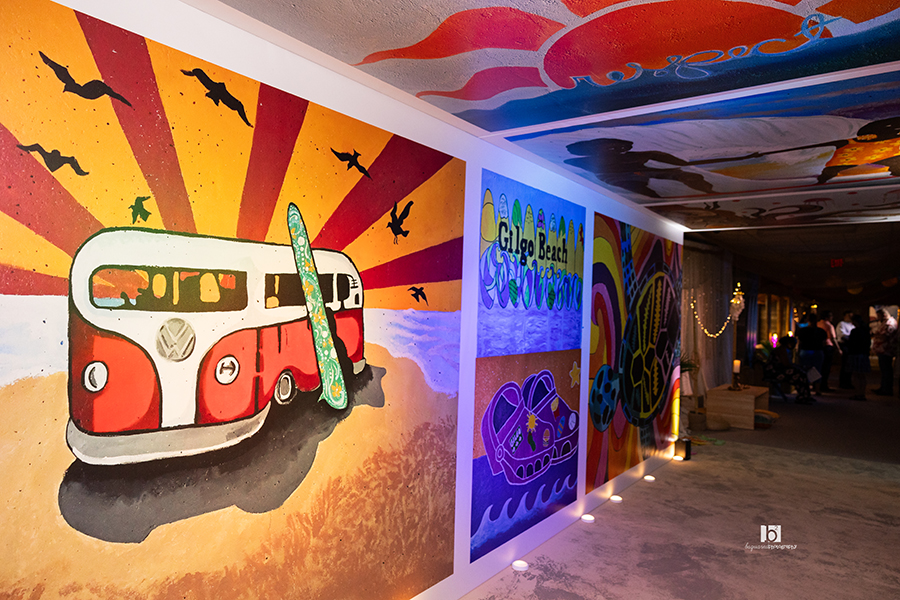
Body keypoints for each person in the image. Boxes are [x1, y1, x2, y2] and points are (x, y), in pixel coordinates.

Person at [764, 336, 813, 404]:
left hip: (780, 370)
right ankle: (802, 396)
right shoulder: (781, 350)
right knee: (800, 375)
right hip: (775, 372)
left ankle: (805, 395)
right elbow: (786, 364)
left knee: (802, 373)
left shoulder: (786, 350)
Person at [796, 312, 826, 394]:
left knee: (804, 370)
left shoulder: (802, 331)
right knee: (817, 370)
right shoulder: (821, 331)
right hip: (818, 351)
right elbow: (823, 343)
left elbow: (799, 342)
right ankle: (817, 389)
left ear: (807, 320)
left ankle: (806, 388)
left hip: (805, 351)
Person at [871, 308, 898, 396]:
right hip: (882, 350)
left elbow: (885, 336)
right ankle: (883, 388)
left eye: (878, 316)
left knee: (886, 371)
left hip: (886, 350)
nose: (877, 318)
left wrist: (876, 335)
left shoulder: (889, 323)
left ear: (884, 315)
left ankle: (887, 389)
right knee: (884, 371)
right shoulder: (885, 322)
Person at [847, 314, 872, 401]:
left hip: (855, 354)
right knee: (862, 375)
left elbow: (851, 343)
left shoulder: (855, 331)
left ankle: (858, 393)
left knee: (856, 375)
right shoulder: (866, 331)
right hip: (864, 354)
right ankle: (862, 393)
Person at [817, 310, 839, 392]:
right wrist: (838, 348)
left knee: (820, 367)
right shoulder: (829, 325)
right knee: (826, 367)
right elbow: (832, 338)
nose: (832, 317)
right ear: (827, 317)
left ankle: (817, 384)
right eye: (831, 316)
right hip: (828, 346)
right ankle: (824, 385)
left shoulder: (818, 324)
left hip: (819, 347)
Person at [835, 311, 855, 390]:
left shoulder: (852, 325)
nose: (850, 317)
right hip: (844, 345)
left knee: (849, 365)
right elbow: (842, 335)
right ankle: (843, 382)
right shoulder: (842, 324)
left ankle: (848, 381)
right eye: (848, 315)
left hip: (851, 346)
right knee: (845, 364)